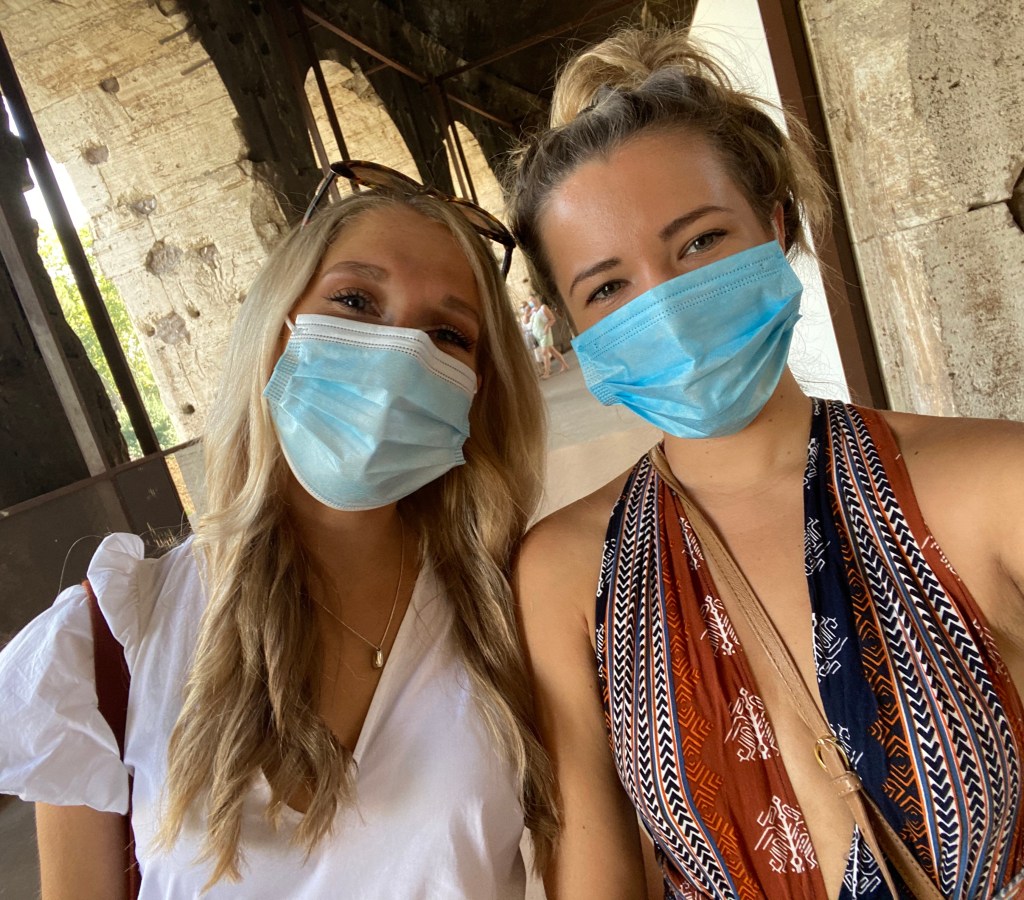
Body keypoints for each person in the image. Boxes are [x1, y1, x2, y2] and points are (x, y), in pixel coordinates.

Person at [507, 25, 1024, 900]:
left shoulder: (992, 484)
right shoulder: (567, 573)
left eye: (699, 242)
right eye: (608, 287)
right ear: (570, 328)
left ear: (775, 226)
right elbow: (595, 872)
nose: (668, 305)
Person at [0, 169, 558, 898]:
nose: (397, 354)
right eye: (355, 300)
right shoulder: (110, 637)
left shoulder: (516, 608)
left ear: (480, 390)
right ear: (276, 325)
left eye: (447, 334)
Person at [527, 295, 570, 379]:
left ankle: (546, 373)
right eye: (529, 301)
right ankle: (565, 365)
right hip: (538, 335)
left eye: (531, 299)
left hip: (545, 334)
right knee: (552, 351)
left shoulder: (543, 308)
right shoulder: (533, 311)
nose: (531, 302)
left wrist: (547, 326)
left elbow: (552, 319)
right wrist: (529, 313)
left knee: (544, 352)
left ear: (536, 298)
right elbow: (528, 322)